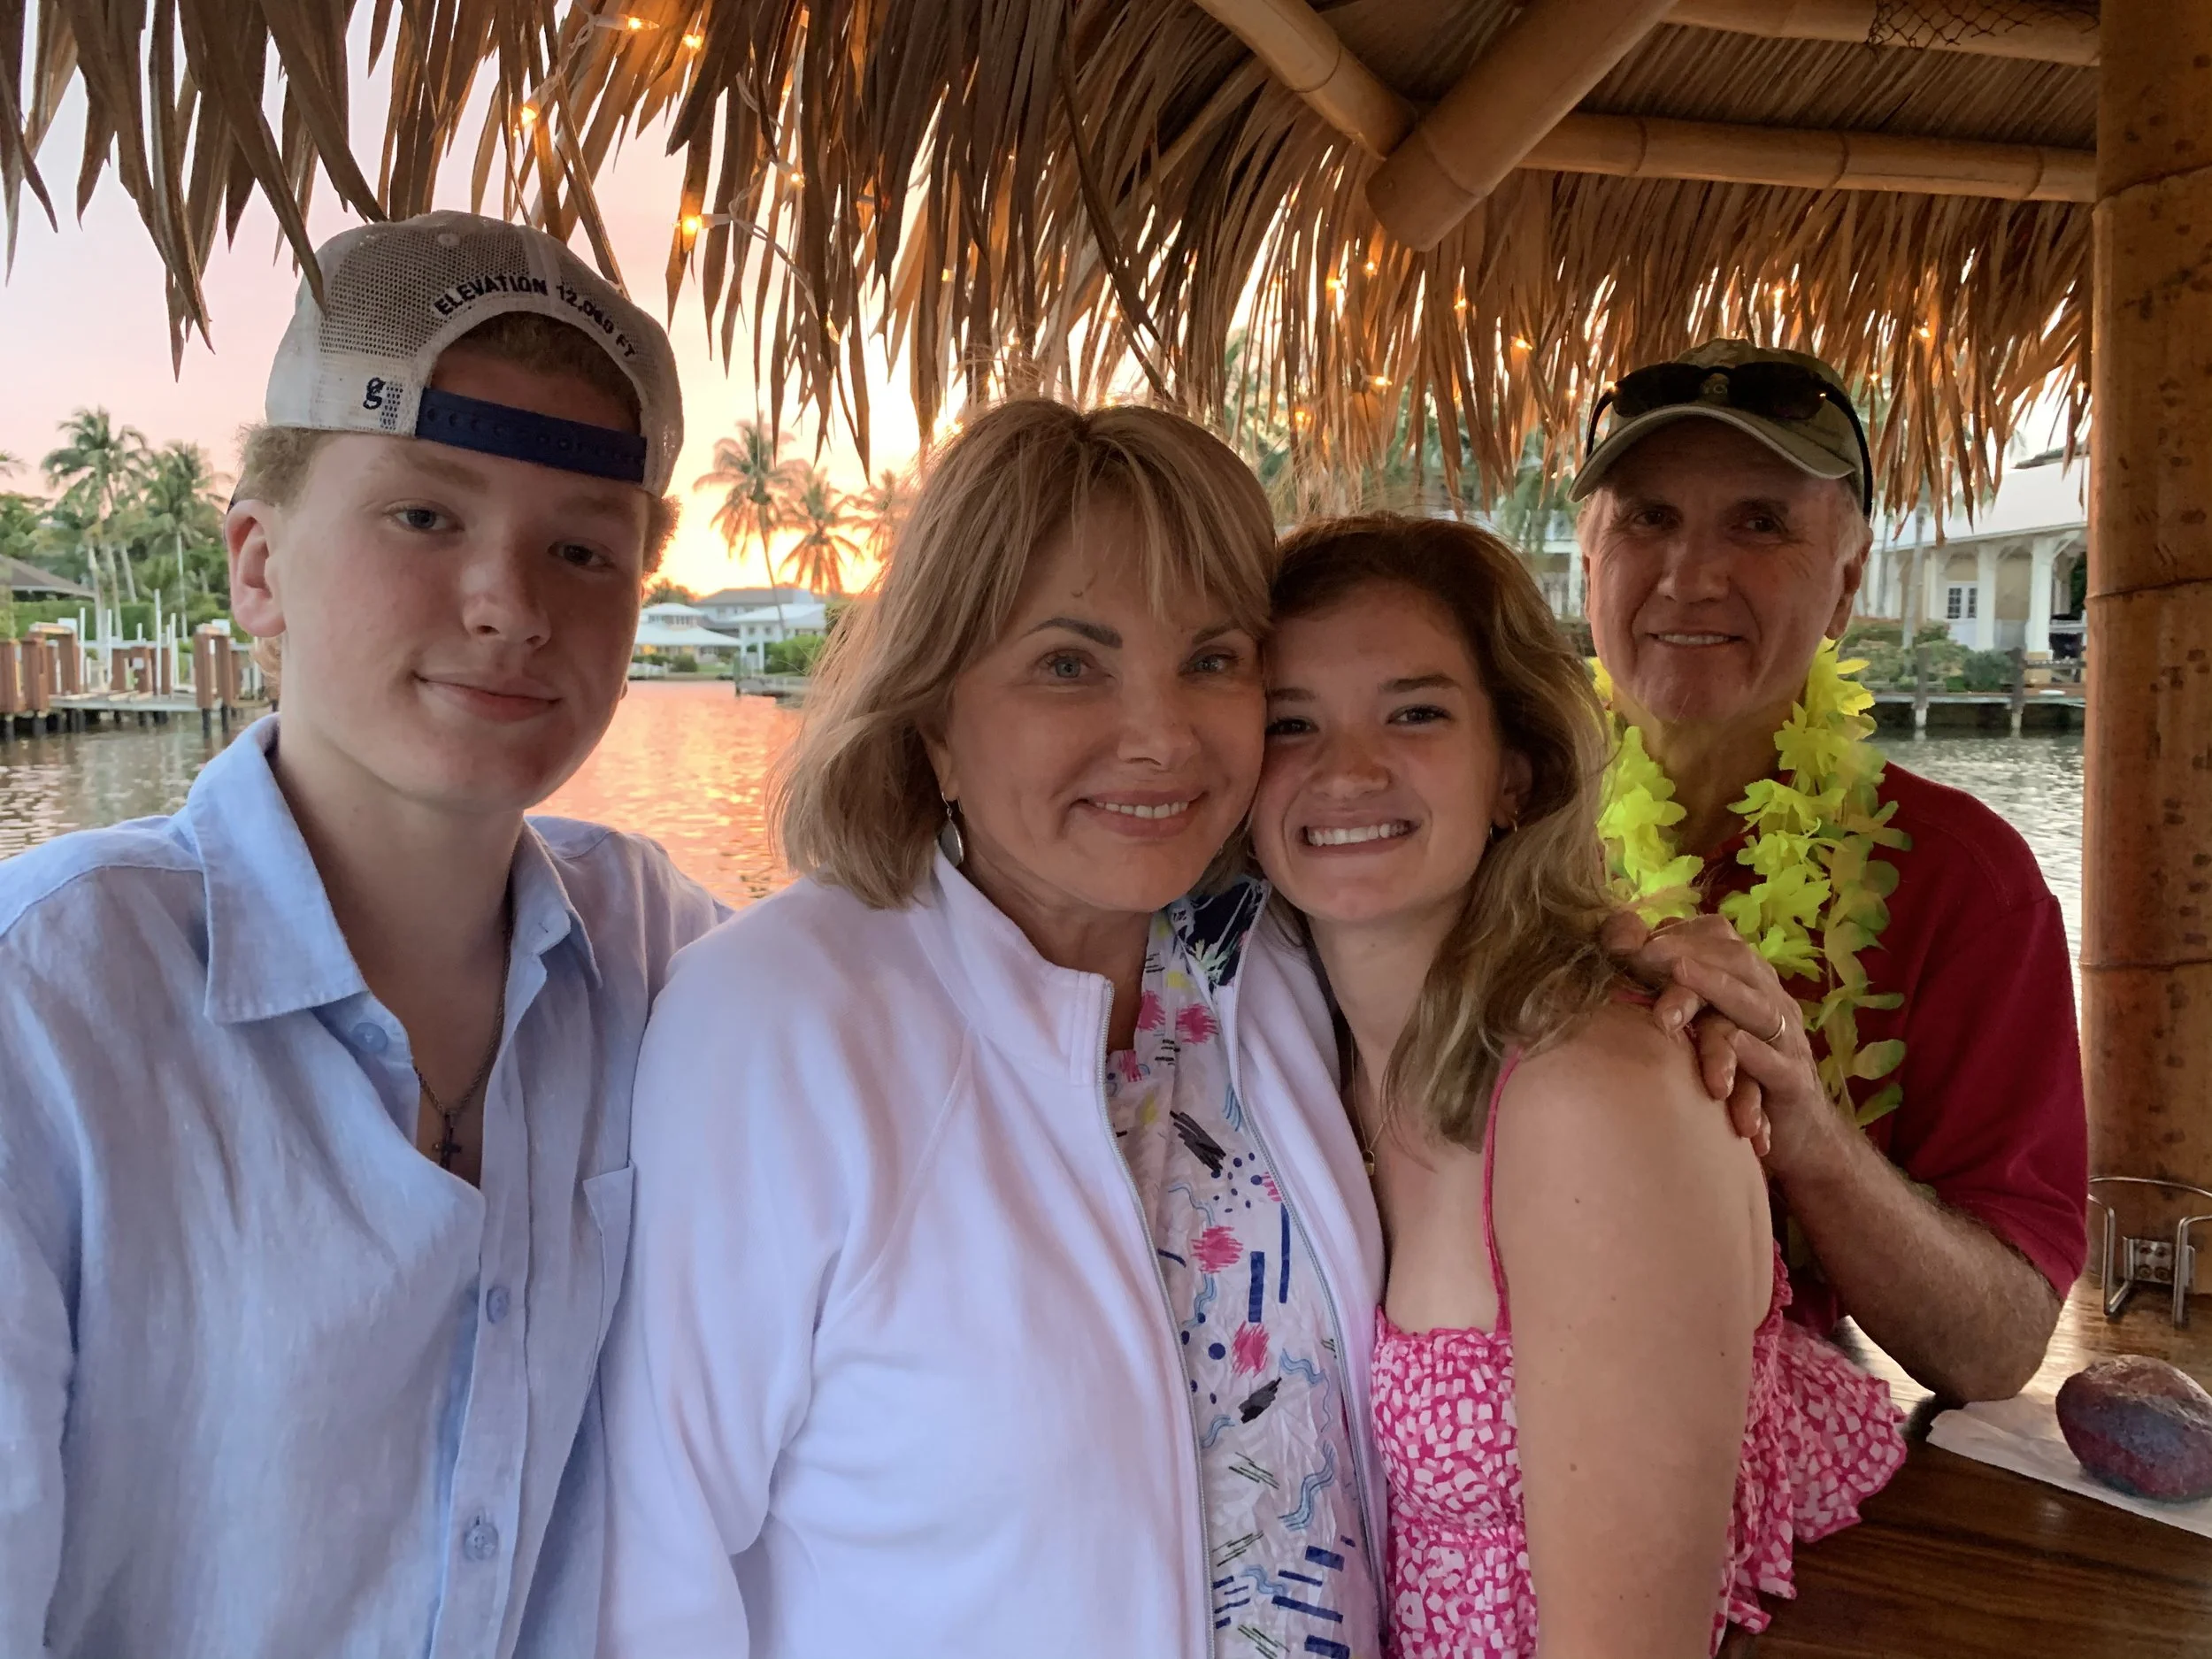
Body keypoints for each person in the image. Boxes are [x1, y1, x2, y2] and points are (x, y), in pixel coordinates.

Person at [0, 211, 724, 1659]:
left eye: (583, 549)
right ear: (258, 567)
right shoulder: (49, 1005)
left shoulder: (668, 958)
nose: (511, 605)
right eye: (424, 517)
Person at [596, 399, 1390, 1658]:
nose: (1163, 733)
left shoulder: (1279, 967)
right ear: (933, 718)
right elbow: (654, 1557)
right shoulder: (785, 1021)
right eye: (1070, 663)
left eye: (1215, 657)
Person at [1252, 513, 1905, 1658]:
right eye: (1288, 722)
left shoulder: (1588, 1098)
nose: (1346, 767)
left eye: (1414, 710)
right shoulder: (1293, 1046)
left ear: (1515, 770)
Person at [1574, 339, 2088, 1402]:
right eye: (1647, 518)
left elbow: (1994, 1349)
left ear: (1847, 582)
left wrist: (1810, 1133)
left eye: (1759, 522)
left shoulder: (1963, 880)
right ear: (1589, 559)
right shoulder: (1481, 821)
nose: (1689, 574)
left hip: (1786, 1432)